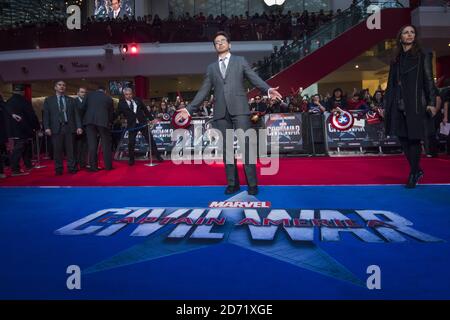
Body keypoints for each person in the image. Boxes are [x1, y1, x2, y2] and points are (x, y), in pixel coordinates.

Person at [179, 31, 282, 195]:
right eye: (216, 42)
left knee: (246, 147)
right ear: (214, 47)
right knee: (226, 150)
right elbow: (204, 90)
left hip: (240, 109)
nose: (219, 43)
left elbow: (254, 78)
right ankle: (233, 183)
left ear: (229, 44)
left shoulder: (240, 61)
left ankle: (252, 184)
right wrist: (189, 108)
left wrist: (268, 90)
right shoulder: (211, 68)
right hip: (220, 112)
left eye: (222, 40)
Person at [384, 25, 437, 188]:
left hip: (414, 103)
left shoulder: (423, 55)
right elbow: (391, 82)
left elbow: (428, 80)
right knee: (402, 137)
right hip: (397, 102)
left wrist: (432, 102)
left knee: (414, 139)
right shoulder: (396, 58)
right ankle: (417, 169)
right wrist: (386, 103)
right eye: (406, 32)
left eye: (412, 32)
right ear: (400, 37)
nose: (409, 35)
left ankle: (414, 173)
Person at [43, 81, 83, 175]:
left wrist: (79, 127)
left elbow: (76, 115)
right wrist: (47, 127)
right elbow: (46, 115)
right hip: (56, 128)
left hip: (69, 127)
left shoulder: (71, 100)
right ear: (55, 87)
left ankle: (72, 168)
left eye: (64, 85)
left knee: (71, 150)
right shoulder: (49, 100)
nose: (62, 87)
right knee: (57, 150)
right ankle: (58, 169)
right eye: (59, 85)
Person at [117, 87, 163, 165]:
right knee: (131, 142)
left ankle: (158, 156)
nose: (129, 96)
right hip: (132, 125)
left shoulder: (137, 100)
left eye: (130, 94)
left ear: (132, 93)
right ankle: (131, 159)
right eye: (127, 94)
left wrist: (152, 119)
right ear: (124, 95)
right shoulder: (121, 104)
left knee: (150, 140)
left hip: (142, 123)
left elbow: (145, 110)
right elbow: (117, 113)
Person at [5, 85, 40, 176]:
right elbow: (31, 115)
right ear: (23, 92)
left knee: (24, 147)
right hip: (23, 128)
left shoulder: (8, 101)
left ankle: (28, 165)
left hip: (11, 129)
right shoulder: (24, 101)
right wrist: (36, 126)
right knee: (19, 148)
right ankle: (15, 169)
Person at [82, 85, 114, 171]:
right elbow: (111, 114)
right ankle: (108, 166)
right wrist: (110, 122)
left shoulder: (88, 95)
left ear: (97, 90)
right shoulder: (109, 98)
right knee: (106, 145)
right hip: (103, 122)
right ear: (105, 91)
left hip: (89, 122)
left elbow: (82, 107)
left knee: (92, 145)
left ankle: (93, 167)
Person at [74, 87, 88, 170]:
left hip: (86, 126)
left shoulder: (87, 102)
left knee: (85, 146)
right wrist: (77, 126)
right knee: (78, 146)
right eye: (82, 92)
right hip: (77, 127)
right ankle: (78, 162)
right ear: (78, 93)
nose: (83, 94)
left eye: (85, 92)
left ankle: (83, 162)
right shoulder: (74, 101)